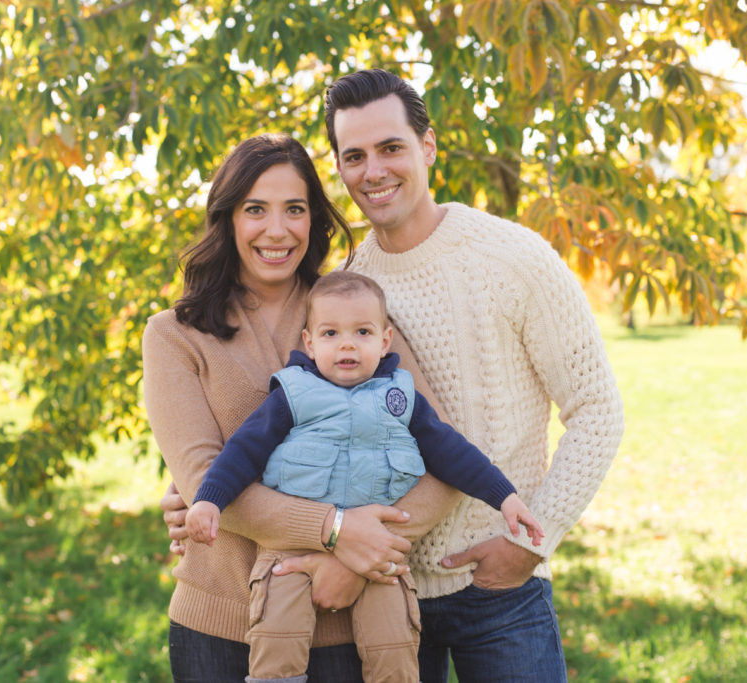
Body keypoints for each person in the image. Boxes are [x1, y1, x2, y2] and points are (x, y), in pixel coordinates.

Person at [162, 69, 624, 682]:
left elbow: (583, 410)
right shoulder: (350, 286)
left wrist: (529, 543)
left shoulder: (509, 259)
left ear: (427, 147)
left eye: (391, 148)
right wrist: (201, 497)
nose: (373, 170)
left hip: (487, 584)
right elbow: (269, 440)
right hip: (377, 596)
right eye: (354, 156)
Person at [143, 132, 465, 683]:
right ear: (227, 219)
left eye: (295, 209)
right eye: (255, 210)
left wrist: (351, 561)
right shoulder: (174, 335)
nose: (277, 230)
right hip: (223, 631)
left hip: (361, 629)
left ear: (314, 219)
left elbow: (443, 463)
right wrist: (335, 531)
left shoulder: (355, 316)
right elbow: (204, 481)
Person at [185, 270, 544, 683]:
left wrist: (505, 496)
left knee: (394, 648)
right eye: (331, 333)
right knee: (276, 639)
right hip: (290, 552)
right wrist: (209, 499)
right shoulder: (293, 394)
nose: (348, 344)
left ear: (385, 340)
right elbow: (243, 451)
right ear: (309, 342)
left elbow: (451, 451)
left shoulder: (399, 396)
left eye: (362, 332)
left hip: (378, 556)